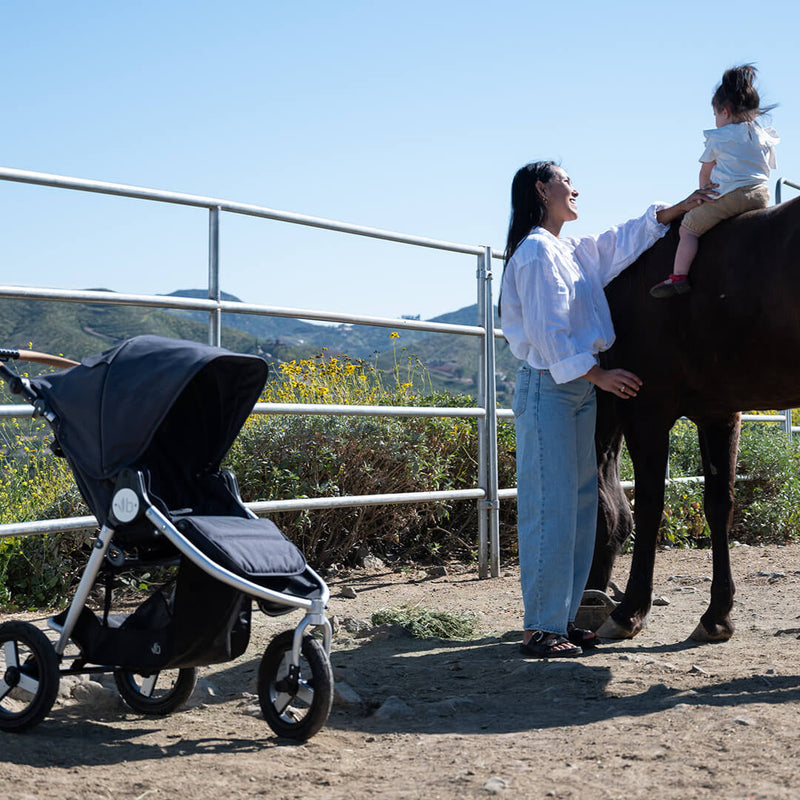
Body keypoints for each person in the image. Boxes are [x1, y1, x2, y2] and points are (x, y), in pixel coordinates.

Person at [500, 161, 715, 658]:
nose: (575, 188)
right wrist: (600, 375)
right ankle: (539, 629)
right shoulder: (535, 253)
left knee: (578, 507)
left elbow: (616, 242)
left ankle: (563, 619)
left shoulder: (566, 250)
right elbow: (551, 333)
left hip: (573, 388)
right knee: (551, 506)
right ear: (541, 188)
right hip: (553, 386)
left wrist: (675, 211)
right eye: (566, 180)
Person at [650, 64, 779, 298]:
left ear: (725, 112)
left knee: (688, 229)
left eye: (716, 115)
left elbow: (705, 173)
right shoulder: (762, 134)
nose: (716, 120)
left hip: (731, 196)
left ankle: (678, 276)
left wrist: (703, 194)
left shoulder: (718, 137)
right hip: (761, 194)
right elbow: (766, 167)